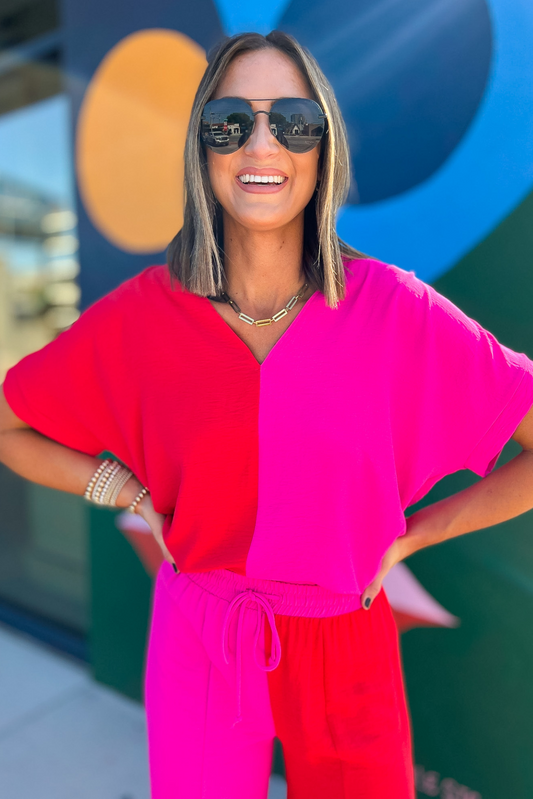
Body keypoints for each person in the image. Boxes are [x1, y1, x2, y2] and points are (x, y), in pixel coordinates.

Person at [1, 30, 533, 799]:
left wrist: (415, 534)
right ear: (202, 148)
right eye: (230, 120)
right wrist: (120, 490)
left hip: (347, 646)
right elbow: (13, 426)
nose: (262, 142)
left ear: (322, 148)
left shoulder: (392, 310)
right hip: (201, 632)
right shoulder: (144, 316)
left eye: (292, 121)